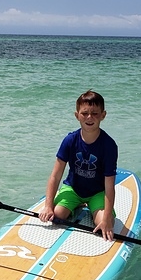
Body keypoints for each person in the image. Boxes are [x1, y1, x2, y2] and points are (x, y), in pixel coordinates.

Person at [39, 90, 118, 241]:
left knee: (104, 223)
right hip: (73, 189)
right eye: (85, 113)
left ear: (103, 115)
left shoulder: (109, 145)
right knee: (56, 216)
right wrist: (48, 205)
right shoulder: (70, 140)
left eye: (95, 113)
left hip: (97, 192)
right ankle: (75, 207)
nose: (90, 117)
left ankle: (95, 209)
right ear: (77, 116)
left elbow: (109, 185)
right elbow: (55, 176)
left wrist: (107, 218)